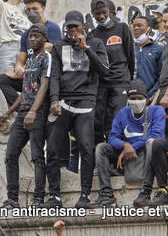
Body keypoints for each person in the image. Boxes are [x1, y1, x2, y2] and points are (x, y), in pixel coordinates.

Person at [45, 11, 110, 209]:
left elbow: (105, 71)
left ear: (83, 25)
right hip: (63, 102)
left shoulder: (96, 43)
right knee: (54, 149)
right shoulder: (58, 47)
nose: (73, 30)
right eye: (70, 27)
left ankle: (84, 195)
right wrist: (54, 99)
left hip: (86, 102)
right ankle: (54, 196)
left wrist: (86, 48)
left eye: (76, 26)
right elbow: (54, 75)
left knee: (86, 148)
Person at [0, 24, 51, 209]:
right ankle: (12, 199)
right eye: (30, 37)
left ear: (44, 38)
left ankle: (38, 199)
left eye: (36, 36)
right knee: (11, 154)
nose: (32, 39)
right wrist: (8, 112)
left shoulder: (46, 58)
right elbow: (25, 91)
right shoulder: (30, 61)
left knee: (36, 156)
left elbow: (43, 86)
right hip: (22, 113)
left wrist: (33, 111)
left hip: (38, 112)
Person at [93, 79, 166, 207]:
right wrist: (124, 145)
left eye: (139, 98)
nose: (136, 102)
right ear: (127, 100)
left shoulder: (157, 111)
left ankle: (146, 191)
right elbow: (112, 136)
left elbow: (157, 135)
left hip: (147, 156)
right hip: (128, 155)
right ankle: (107, 193)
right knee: (101, 148)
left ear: (147, 99)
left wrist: (132, 147)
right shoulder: (123, 113)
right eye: (132, 98)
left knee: (151, 142)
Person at [0, 0, 61, 106]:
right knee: (1, 80)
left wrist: (26, 68)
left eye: (34, 9)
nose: (31, 12)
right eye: (28, 9)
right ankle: (23, 107)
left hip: (44, 77)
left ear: (43, 8)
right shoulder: (26, 34)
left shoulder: (52, 28)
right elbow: (21, 60)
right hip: (29, 77)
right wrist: (19, 68)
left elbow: (47, 48)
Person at [89, 0, 135, 147]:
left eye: (104, 12)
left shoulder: (122, 28)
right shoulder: (93, 35)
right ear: (92, 14)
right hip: (101, 83)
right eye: (97, 14)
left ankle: (116, 158)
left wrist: (129, 80)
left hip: (120, 82)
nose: (101, 16)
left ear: (109, 12)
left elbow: (130, 56)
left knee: (117, 119)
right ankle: (101, 155)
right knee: (97, 120)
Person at [132, 16, 167, 102]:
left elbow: (161, 76)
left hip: (150, 98)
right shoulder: (129, 48)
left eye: (139, 25)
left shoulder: (159, 49)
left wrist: (150, 96)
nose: (136, 28)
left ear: (149, 29)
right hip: (130, 97)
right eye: (134, 26)